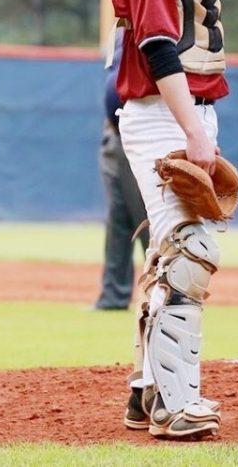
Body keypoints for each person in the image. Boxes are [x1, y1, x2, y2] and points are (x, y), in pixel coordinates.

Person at [111, 0, 238, 440]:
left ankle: (146, 394)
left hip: (182, 110)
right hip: (164, 111)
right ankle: (173, 402)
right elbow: (159, 49)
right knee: (192, 252)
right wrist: (193, 129)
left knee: (175, 252)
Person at [94, 29, 150, 311]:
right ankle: (112, 297)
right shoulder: (120, 30)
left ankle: (165, 296)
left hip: (140, 131)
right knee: (117, 218)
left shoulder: (156, 20)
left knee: (147, 218)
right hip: (113, 134)